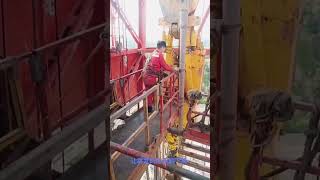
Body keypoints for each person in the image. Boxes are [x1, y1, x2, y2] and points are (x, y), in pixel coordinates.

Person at [143, 41, 177, 113]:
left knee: (148, 92)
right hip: (152, 78)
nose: (164, 50)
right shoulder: (159, 55)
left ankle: (149, 108)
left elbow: (154, 64)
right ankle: (158, 108)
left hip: (146, 76)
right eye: (164, 49)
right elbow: (165, 66)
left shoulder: (152, 53)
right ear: (162, 47)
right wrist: (174, 69)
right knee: (158, 92)